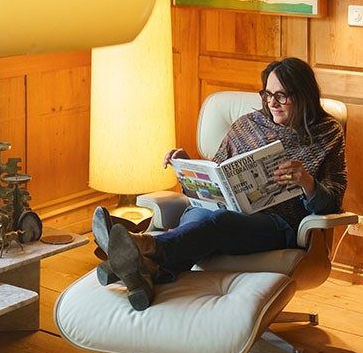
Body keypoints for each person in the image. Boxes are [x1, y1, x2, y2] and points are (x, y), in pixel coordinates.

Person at [94, 57, 347, 310]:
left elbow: (333, 202)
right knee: (201, 215)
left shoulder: (326, 133)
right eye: (267, 94)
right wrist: (187, 166)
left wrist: (307, 182)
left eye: (282, 96)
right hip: (218, 213)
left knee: (215, 222)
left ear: (303, 95)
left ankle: (142, 246)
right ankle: (145, 269)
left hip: (277, 226)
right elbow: (217, 176)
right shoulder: (248, 124)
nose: (272, 103)